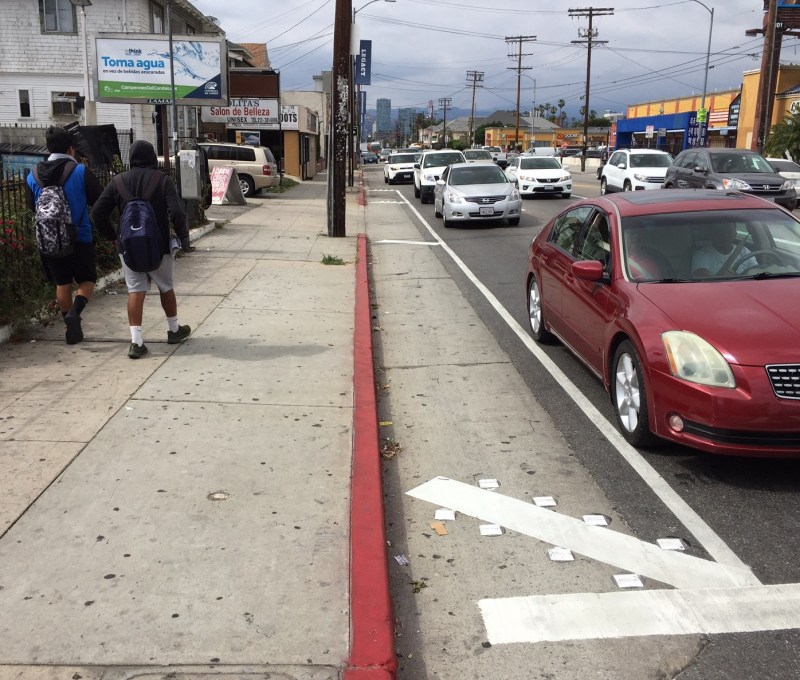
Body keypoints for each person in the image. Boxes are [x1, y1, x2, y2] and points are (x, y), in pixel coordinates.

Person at [92, 140, 192, 359]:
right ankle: (174, 330)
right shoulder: (162, 180)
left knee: (135, 290)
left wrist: (112, 237)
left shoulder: (117, 181)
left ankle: (136, 342)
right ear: (151, 158)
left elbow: (98, 212)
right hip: (159, 247)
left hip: (128, 247)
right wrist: (183, 238)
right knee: (166, 286)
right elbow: (175, 211)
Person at [25, 125, 111, 344]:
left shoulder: (33, 175)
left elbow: (30, 207)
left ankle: (68, 324)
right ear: (71, 148)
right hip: (80, 237)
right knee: (87, 280)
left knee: (62, 283)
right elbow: (100, 200)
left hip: (50, 240)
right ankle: (75, 313)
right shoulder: (80, 171)